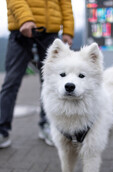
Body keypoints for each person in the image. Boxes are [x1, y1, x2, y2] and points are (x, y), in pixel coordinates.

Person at [0, 0, 74, 148]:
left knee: (51, 83)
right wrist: (25, 19)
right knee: (11, 81)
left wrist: (68, 31)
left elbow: (65, 4)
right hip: (21, 28)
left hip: (50, 32)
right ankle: (2, 130)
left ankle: (48, 126)